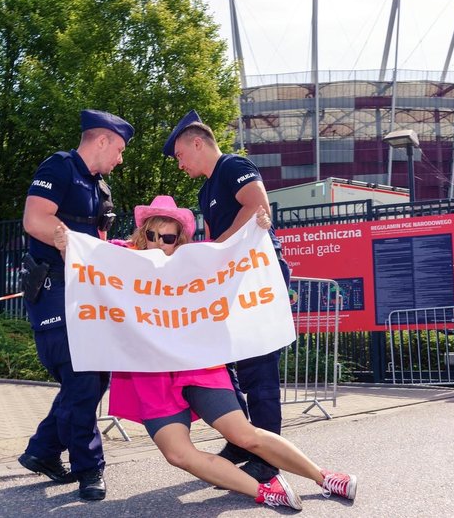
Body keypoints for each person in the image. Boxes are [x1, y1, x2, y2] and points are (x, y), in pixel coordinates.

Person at [56, 196, 357, 511]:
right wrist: (66, 246)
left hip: (197, 366)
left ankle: (325, 477)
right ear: (141, 232)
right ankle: (264, 491)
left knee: (245, 435)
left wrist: (259, 230)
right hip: (148, 375)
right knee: (177, 454)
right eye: (152, 235)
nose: (159, 243)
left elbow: (235, 260)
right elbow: (86, 267)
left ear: (180, 238)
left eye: (168, 237)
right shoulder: (122, 257)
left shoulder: (196, 261)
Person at [164, 110, 291, 483]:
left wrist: (216, 248)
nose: (180, 164)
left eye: (180, 155)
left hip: (254, 280)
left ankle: (268, 458)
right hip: (230, 284)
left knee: (258, 368)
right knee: (225, 364)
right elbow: (209, 242)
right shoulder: (206, 190)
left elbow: (258, 207)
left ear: (197, 143)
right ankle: (242, 440)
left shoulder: (233, 166)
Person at [18, 109, 134, 501]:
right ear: (101, 140)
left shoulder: (101, 188)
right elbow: (36, 220)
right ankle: (89, 470)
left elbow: (98, 241)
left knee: (92, 377)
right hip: (54, 289)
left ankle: (43, 450)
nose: (120, 159)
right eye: (118, 149)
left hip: (87, 295)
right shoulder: (60, 167)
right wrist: (73, 243)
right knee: (82, 379)